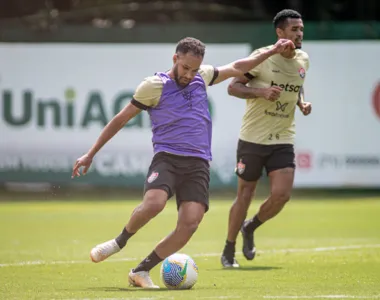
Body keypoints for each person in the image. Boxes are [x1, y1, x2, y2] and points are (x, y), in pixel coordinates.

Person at [72, 36, 294, 288]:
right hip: (167, 158)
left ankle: (141, 271)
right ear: (175, 59)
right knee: (154, 204)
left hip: (198, 163)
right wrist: (90, 154)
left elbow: (239, 67)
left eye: (194, 69)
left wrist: (272, 50)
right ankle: (119, 242)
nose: (189, 74)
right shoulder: (153, 85)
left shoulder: (204, 76)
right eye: (185, 68)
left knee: (190, 224)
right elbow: (120, 119)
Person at [220, 9, 312, 268]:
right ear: (280, 33)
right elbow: (232, 87)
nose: (299, 34)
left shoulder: (303, 58)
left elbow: (297, 83)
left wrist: (302, 103)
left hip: (282, 138)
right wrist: (262, 92)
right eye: (294, 30)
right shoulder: (262, 58)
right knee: (245, 195)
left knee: (282, 195)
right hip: (252, 139)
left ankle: (250, 227)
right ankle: (229, 249)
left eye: (301, 29)